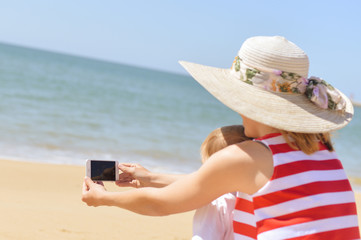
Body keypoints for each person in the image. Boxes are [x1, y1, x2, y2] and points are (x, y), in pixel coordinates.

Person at [82, 36, 360, 239]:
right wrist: (149, 177)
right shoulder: (322, 150)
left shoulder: (247, 158)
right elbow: (216, 186)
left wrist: (105, 199)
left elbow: (161, 204)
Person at [116, 125, 251, 240]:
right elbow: (195, 182)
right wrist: (149, 179)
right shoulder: (254, 195)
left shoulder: (216, 203)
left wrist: (105, 198)